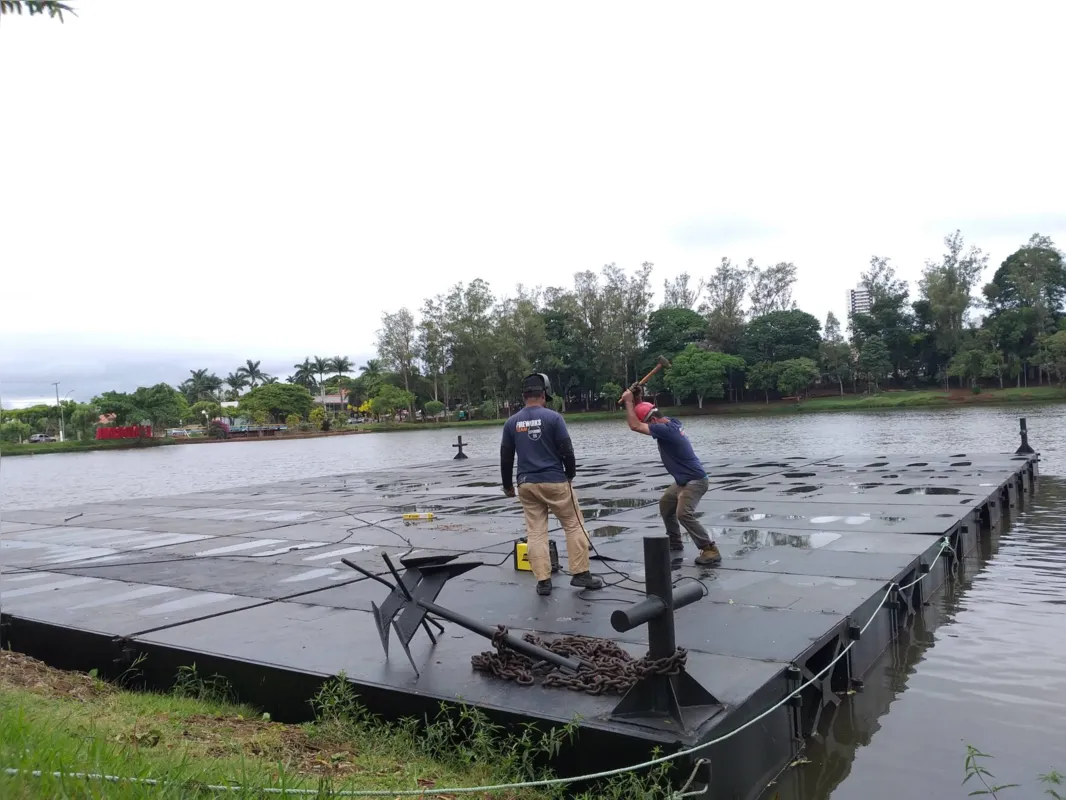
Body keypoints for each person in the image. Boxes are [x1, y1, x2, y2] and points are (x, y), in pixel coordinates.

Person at [501, 373, 604, 596]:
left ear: (523, 396)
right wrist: (570, 474)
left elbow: (506, 457)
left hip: (526, 484)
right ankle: (580, 574)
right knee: (573, 524)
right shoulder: (554, 418)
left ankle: (543, 581)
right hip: (555, 481)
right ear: (545, 395)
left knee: (536, 532)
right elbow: (567, 449)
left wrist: (507, 485)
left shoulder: (511, 422)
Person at [620, 388, 721, 566]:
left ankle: (709, 549)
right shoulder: (673, 423)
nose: (649, 429)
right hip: (683, 480)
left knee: (683, 514)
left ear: (652, 421)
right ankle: (674, 542)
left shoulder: (667, 431)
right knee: (667, 504)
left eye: (649, 424)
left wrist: (628, 402)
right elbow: (644, 416)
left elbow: (635, 425)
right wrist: (636, 399)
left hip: (695, 481)